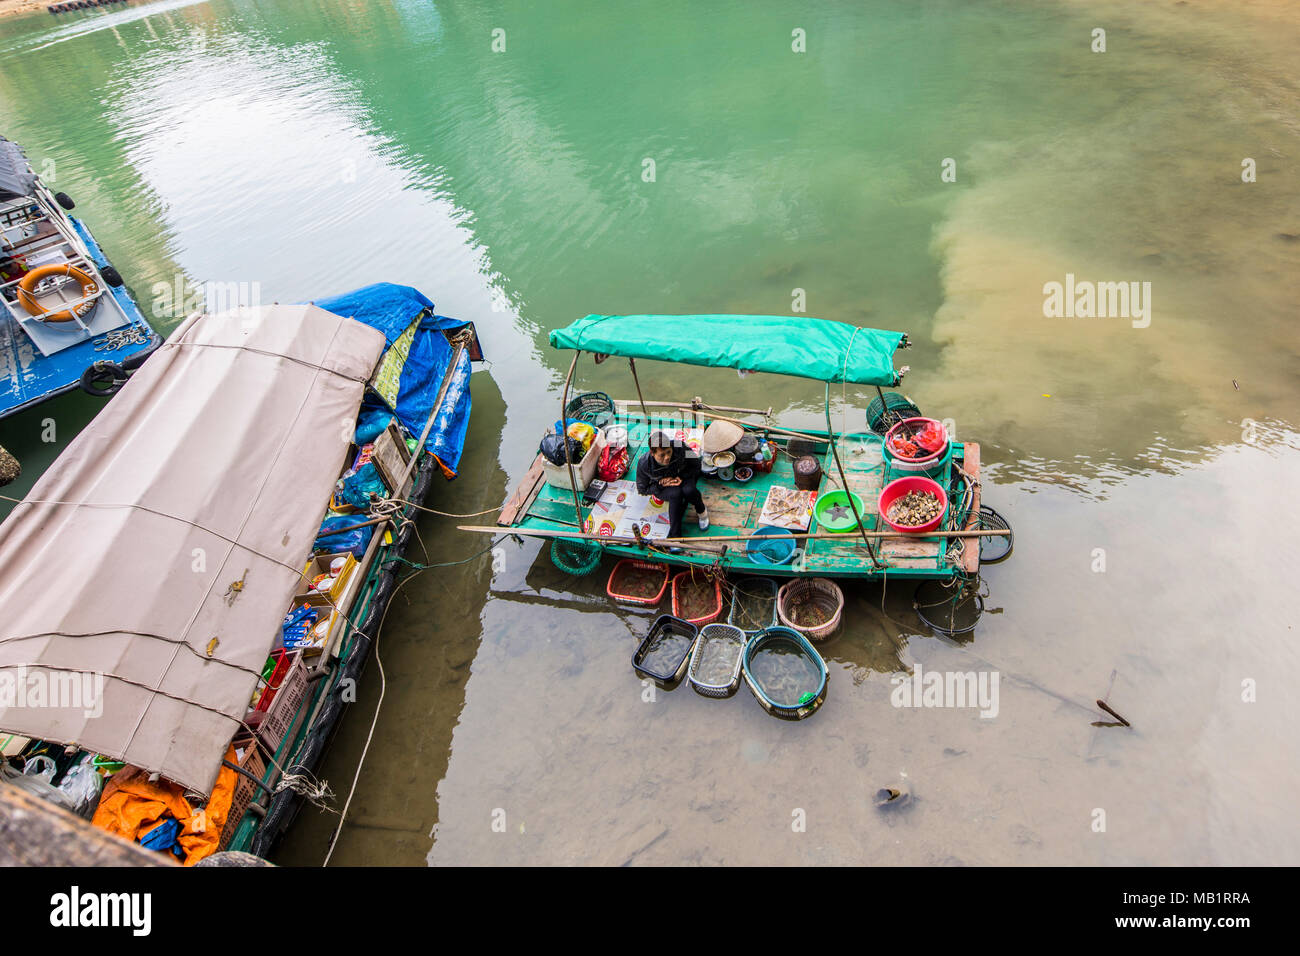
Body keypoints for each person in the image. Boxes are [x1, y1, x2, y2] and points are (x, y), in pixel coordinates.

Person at [636, 429, 708, 539]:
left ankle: (702, 512)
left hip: (683, 476)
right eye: (662, 455)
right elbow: (642, 489)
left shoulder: (680, 447)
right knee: (676, 494)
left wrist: (682, 477)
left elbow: (696, 464)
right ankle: (675, 535)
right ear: (652, 453)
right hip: (663, 487)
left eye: (669, 452)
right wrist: (660, 484)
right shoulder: (644, 464)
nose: (667, 457)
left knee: (689, 490)